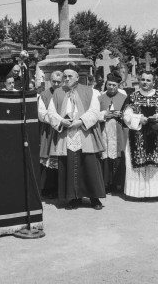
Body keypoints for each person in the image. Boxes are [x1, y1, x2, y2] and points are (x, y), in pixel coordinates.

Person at [47, 66, 105, 210]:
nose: (66, 79)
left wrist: (80, 122)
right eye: (64, 76)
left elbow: (94, 111)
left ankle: (94, 198)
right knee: (69, 164)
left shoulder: (90, 91)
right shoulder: (58, 93)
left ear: (77, 77)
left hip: (84, 132)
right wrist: (61, 121)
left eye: (70, 76)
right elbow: (51, 113)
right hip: (66, 134)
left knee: (89, 166)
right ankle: (73, 198)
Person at [122, 70, 158, 198]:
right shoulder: (132, 97)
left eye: (148, 80)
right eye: (143, 79)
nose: (145, 82)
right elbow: (126, 116)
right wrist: (138, 118)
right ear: (139, 80)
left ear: (153, 82)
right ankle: (138, 193)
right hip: (138, 136)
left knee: (157, 164)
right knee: (138, 163)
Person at [97, 73, 128, 194]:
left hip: (119, 130)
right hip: (104, 129)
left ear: (118, 85)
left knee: (118, 155)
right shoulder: (100, 97)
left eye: (114, 85)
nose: (111, 87)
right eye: (109, 85)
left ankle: (118, 184)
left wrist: (121, 114)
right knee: (105, 155)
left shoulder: (124, 97)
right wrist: (104, 114)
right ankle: (106, 184)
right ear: (106, 84)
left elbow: (129, 112)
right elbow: (95, 114)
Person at [38, 70, 63, 198]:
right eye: (54, 81)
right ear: (50, 81)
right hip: (48, 130)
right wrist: (56, 121)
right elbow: (42, 114)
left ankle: (59, 188)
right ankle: (46, 188)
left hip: (62, 130)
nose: (57, 84)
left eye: (59, 82)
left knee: (60, 159)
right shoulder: (44, 95)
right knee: (46, 158)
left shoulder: (66, 93)